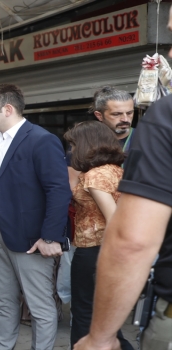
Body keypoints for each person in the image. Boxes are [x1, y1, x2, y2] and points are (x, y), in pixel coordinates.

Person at [74, 15, 172, 347]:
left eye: (129, 113)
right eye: (118, 114)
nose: (126, 119)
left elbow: (133, 239)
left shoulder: (163, 121)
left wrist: (100, 338)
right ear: (99, 117)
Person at [0, 83, 71, 350]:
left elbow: (58, 190)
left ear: (7, 109)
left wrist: (50, 237)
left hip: (31, 237)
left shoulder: (41, 139)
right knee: (2, 300)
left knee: (39, 304)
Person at [64, 121, 133, 350]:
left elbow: (113, 218)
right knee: (104, 320)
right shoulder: (115, 169)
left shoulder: (94, 175)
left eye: (74, 144)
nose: (72, 150)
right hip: (106, 252)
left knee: (85, 316)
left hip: (95, 251)